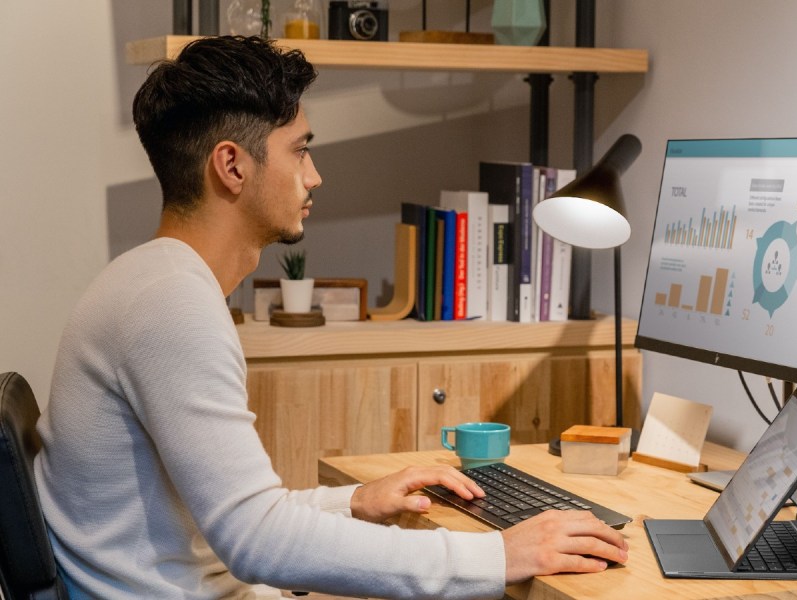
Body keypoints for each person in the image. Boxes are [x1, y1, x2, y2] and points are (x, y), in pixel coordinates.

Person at [34, 35, 628, 599]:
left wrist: (353, 502)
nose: (314, 175)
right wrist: (498, 556)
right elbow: (258, 541)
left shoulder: (151, 281)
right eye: (299, 150)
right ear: (232, 166)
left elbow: (242, 513)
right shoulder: (171, 306)